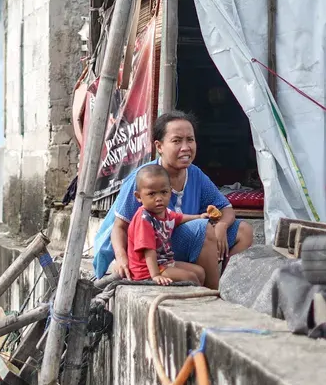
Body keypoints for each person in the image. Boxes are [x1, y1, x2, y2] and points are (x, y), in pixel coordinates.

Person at [92, 110, 255, 289]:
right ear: (159, 146)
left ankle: (227, 285)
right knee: (201, 227)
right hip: (153, 254)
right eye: (177, 141)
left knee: (244, 231)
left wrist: (222, 226)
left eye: (190, 140)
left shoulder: (195, 174)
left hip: (180, 245)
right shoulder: (145, 179)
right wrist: (122, 260)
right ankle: (214, 292)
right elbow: (120, 226)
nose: (186, 147)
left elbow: (226, 208)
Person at [126, 164, 208, 285]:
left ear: (170, 191)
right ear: (138, 197)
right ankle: (194, 301)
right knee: (190, 277)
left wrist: (199, 217)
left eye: (163, 192)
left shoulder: (165, 212)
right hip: (147, 270)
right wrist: (155, 275)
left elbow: (179, 218)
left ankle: (199, 299)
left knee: (200, 272)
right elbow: (148, 250)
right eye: (152, 194)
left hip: (164, 263)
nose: (159, 198)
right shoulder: (144, 218)